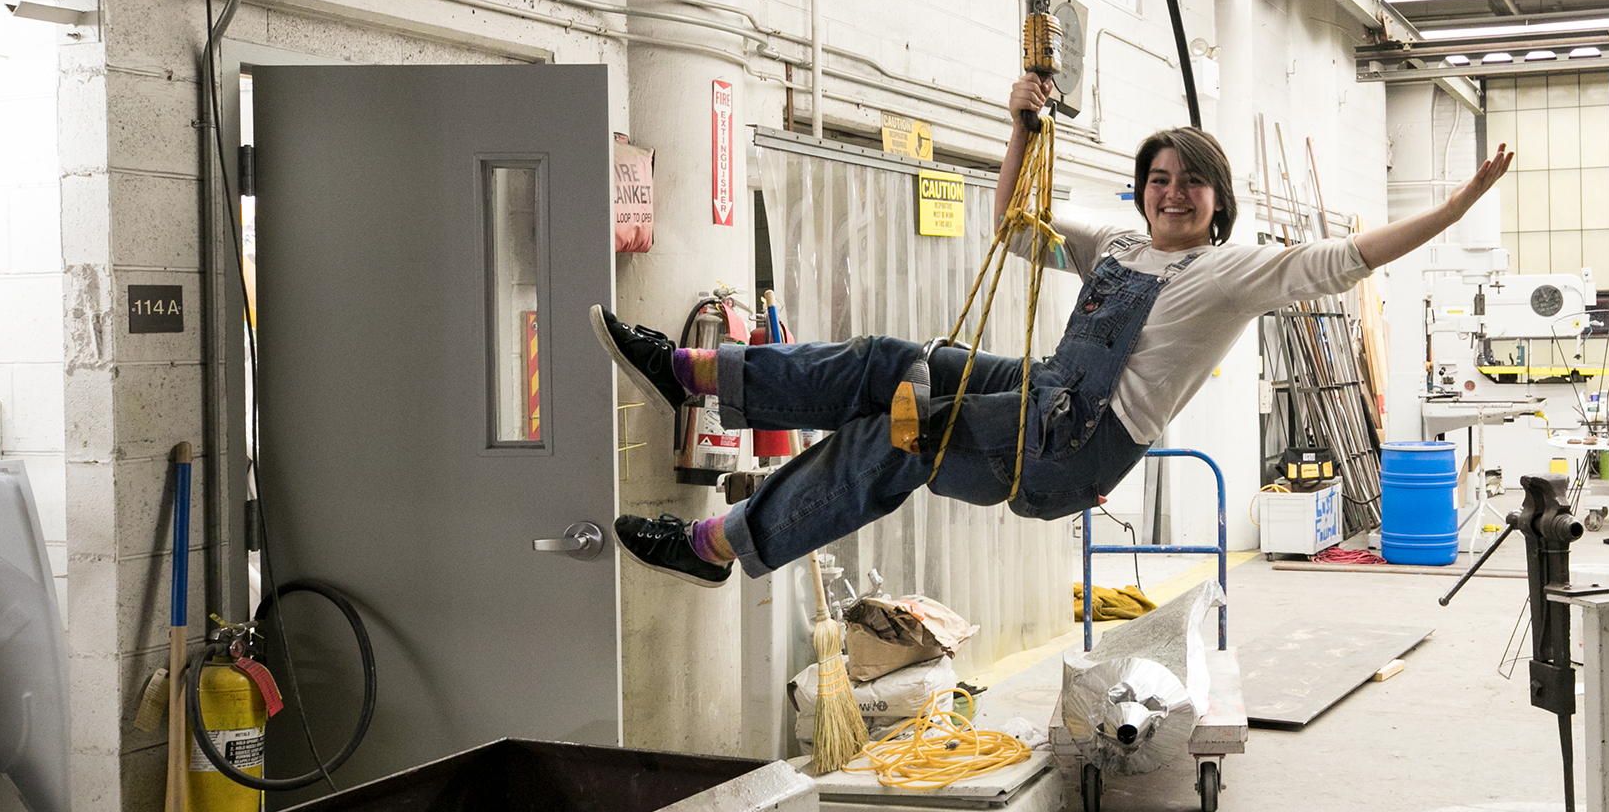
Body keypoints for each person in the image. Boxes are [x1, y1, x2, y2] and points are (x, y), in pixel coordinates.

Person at [598, 73, 1513, 585]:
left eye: (1192, 182)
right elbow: (1012, 227)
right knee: (890, 362)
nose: (1172, 191)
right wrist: (1017, 128)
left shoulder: (1234, 272)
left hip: (1083, 444)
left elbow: (1350, 257)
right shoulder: (1115, 240)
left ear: (1216, 201)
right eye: (1160, 177)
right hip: (1044, 393)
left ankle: (716, 546)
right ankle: (696, 374)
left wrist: (1458, 203)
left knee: (897, 433)